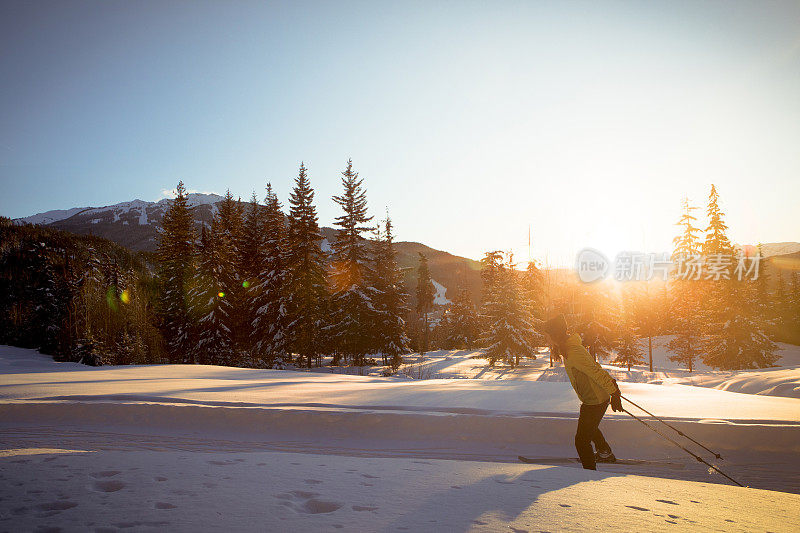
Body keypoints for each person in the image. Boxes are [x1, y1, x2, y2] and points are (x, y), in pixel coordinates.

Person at [543, 314, 623, 470]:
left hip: (596, 400)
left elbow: (595, 370)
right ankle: (605, 452)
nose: (546, 339)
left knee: (581, 441)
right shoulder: (567, 348)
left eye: (547, 336)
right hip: (592, 398)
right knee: (589, 427)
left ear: (555, 334)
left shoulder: (573, 351)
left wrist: (614, 392)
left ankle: (589, 475)